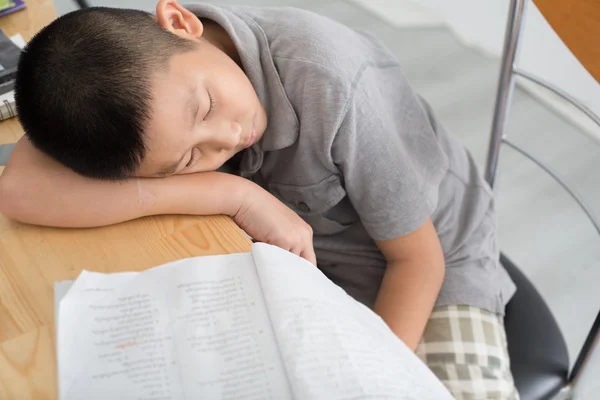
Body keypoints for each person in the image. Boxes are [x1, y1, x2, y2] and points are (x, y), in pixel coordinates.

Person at [0, 1, 519, 398]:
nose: (226, 139)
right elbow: (19, 191)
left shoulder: (330, 81)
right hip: (306, 259)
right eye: (188, 160)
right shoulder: (139, 97)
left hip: (434, 261)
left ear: (179, 22)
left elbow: (418, 260)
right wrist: (234, 191)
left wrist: (368, 367)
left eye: (205, 109)